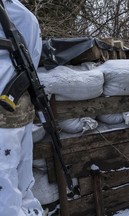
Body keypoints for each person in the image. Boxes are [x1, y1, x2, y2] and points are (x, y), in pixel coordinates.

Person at [0, 0, 43, 215]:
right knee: (23, 188)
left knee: (5, 191)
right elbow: (32, 62)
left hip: (6, 119)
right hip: (20, 110)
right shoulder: (22, 13)